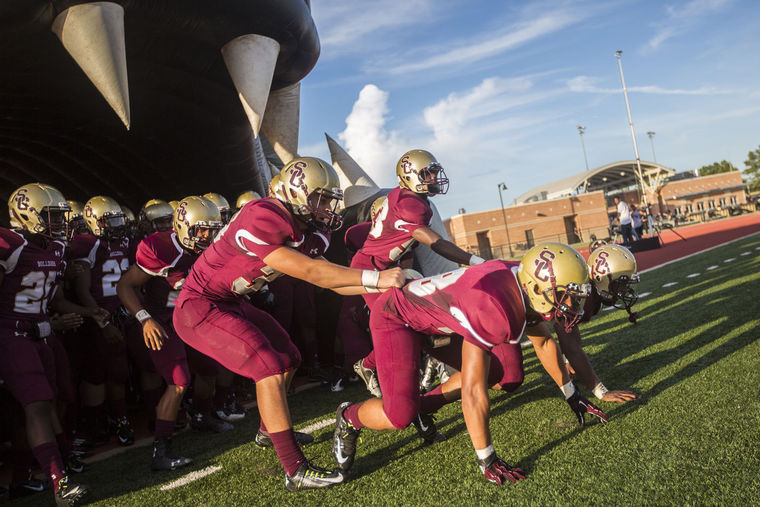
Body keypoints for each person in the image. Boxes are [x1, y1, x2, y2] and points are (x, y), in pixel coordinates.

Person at [172, 156, 406, 490]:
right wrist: (379, 278)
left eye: (329, 200)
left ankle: (270, 431)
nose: (327, 207)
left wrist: (381, 285)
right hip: (199, 308)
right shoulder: (263, 216)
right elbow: (315, 274)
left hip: (229, 302)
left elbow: (333, 281)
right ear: (297, 193)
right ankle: (295, 469)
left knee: (290, 358)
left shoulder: (305, 229)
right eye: (320, 198)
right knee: (268, 367)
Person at [332, 243, 607, 484]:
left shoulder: (524, 279)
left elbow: (545, 342)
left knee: (498, 373)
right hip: (397, 317)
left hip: (442, 319)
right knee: (399, 416)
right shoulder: (495, 307)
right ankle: (349, 416)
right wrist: (487, 458)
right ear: (537, 288)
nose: (573, 304)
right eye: (566, 295)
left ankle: (423, 406)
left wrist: (574, 397)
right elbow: (474, 392)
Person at [352, 150, 484, 396]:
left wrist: (408, 272)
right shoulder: (410, 204)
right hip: (369, 269)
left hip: (389, 268)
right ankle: (369, 366)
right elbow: (436, 243)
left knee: (415, 320)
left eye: (434, 171)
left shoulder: (407, 198)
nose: (434, 177)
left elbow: (406, 246)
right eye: (428, 173)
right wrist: (472, 259)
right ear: (410, 176)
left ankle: (431, 361)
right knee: (396, 322)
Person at [2, 183, 101, 505]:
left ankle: (21, 478)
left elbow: (53, 299)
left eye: (60, 216)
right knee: (37, 405)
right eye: (51, 216)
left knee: (47, 402)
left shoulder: (57, 249)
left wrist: (82, 313)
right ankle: (61, 482)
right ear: (26, 214)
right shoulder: (11, 245)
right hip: (11, 333)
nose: (59, 222)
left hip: (40, 331)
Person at [117, 195, 224, 470]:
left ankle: (201, 416)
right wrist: (144, 319)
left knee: (210, 368)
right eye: (201, 229)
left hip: (192, 317)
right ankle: (161, 450)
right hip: (163, 321)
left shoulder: (210, 248)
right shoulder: (161, 247)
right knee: (179, 380)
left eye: (211, 230)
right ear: (183, 226)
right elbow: (125, 286)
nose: (206, 236)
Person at [69, 196, 134, 447]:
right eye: (111, 221)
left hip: (123, 313)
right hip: (101, 316)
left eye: (119, 219)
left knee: (123, 370)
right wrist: (100, 321)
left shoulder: (125, 241)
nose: (117, 226)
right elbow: (83, 290)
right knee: (99, 373)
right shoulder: (87, 244)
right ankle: (105, 423)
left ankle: (120, 418)